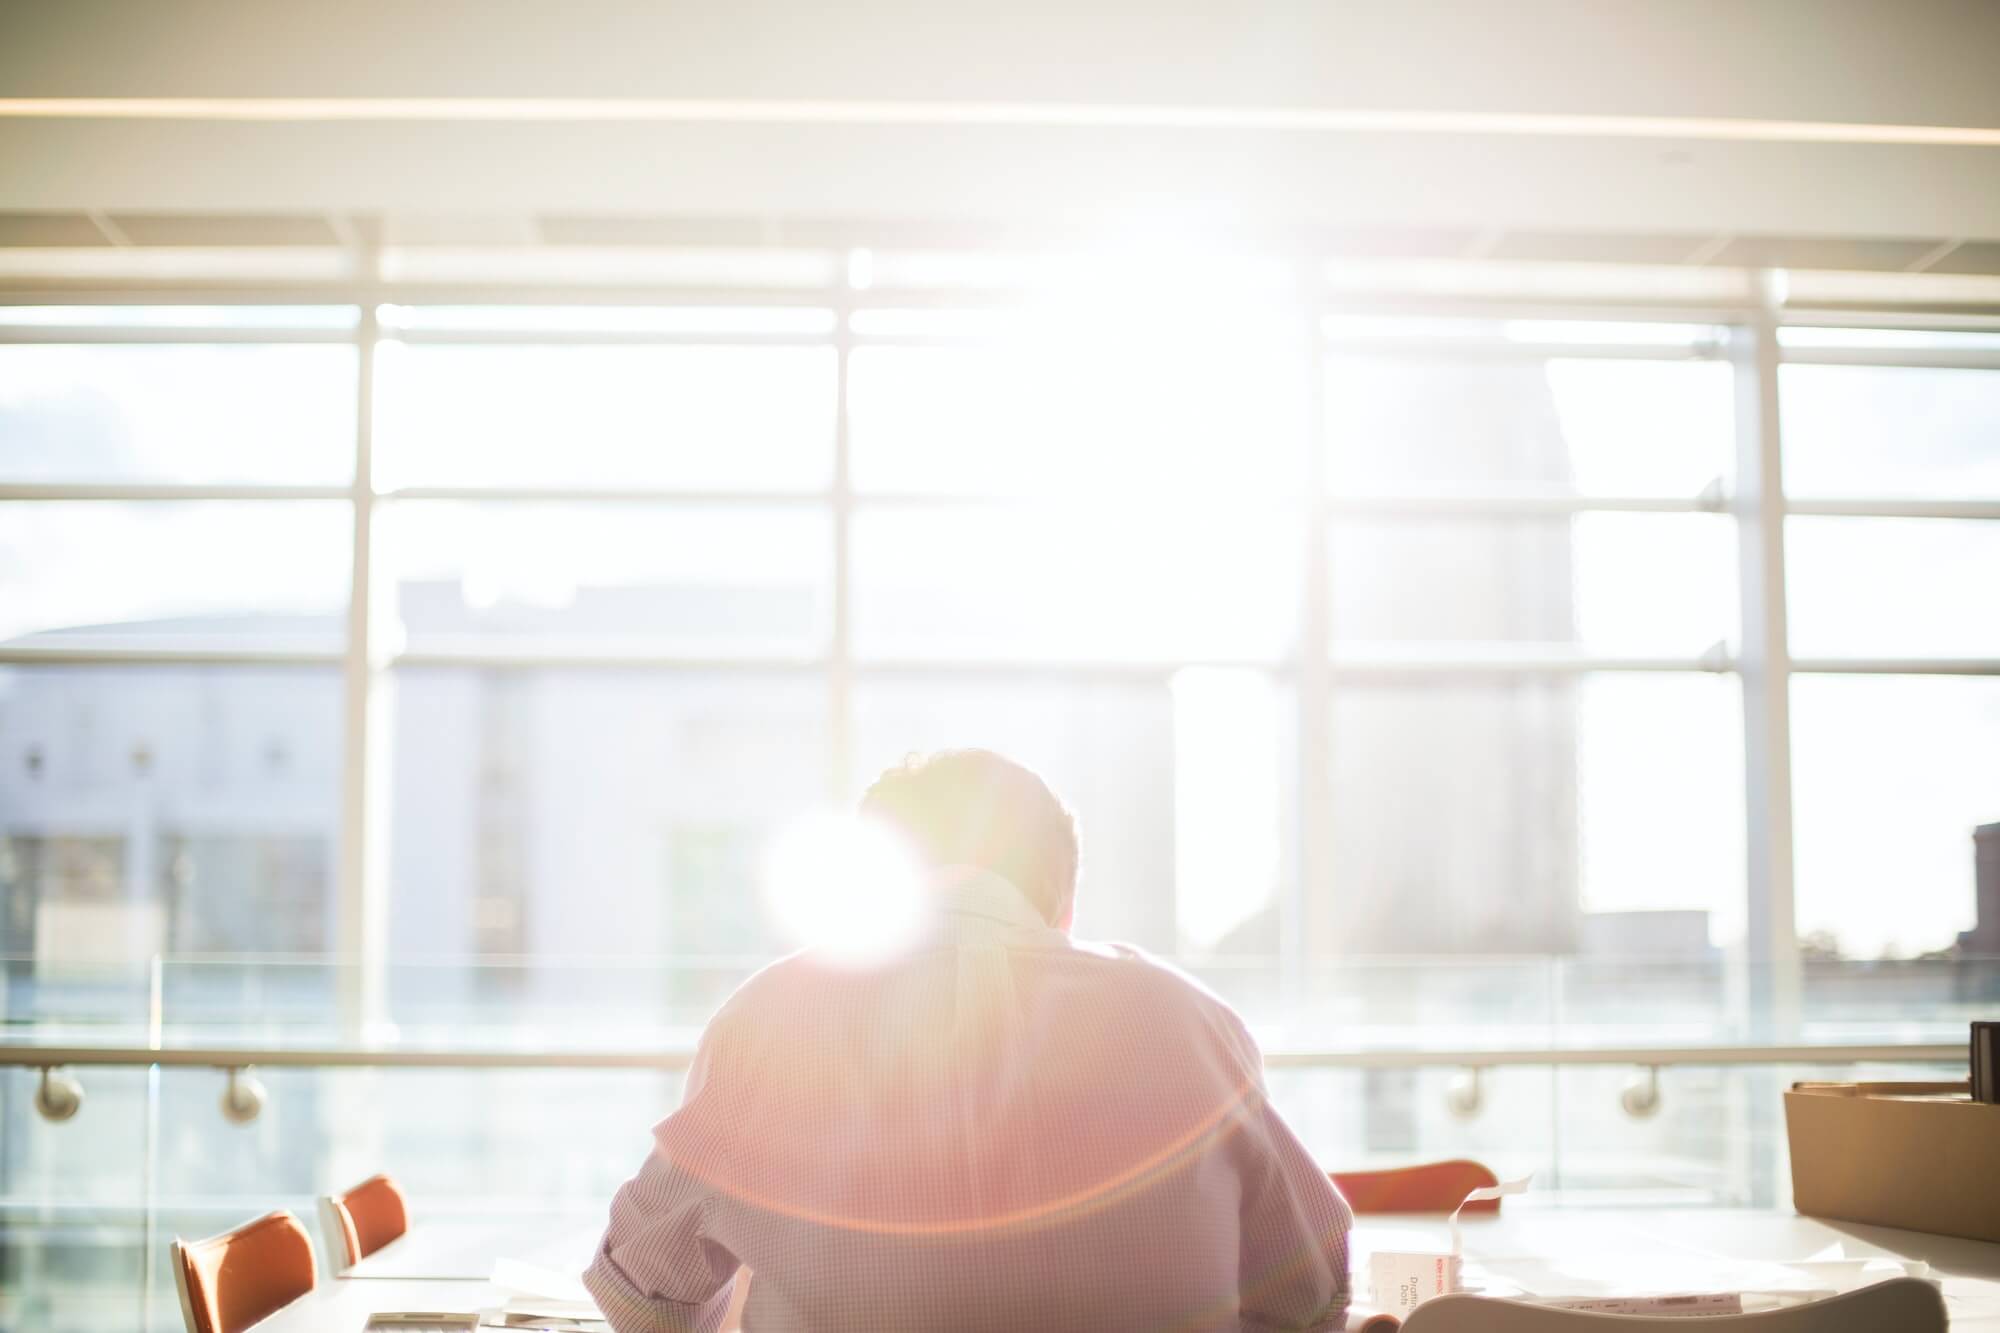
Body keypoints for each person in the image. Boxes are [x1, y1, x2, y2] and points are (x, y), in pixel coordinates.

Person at [585, 749, 1351, 1331]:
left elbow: (642, 1293)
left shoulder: (771, 1017)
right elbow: (1311, 1291)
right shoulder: (1189, 1021)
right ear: (1064, 899)